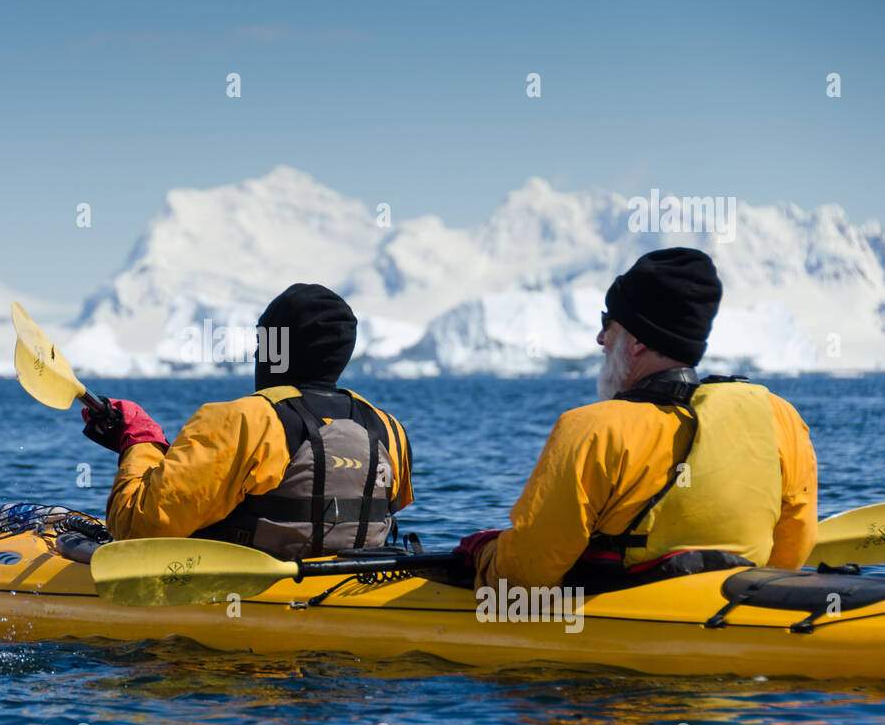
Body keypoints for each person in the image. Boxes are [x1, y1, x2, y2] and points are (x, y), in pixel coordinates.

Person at [458, 247, 818, 591]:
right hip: (745, 610)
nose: (600, 338)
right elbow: (793, 549)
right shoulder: (779, 417)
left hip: (624, 615)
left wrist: (484, 552)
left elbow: (522, 577)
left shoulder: (592, 429)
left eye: (607, 323)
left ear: (637, 342)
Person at [81, 283, 414, 560]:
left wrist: (139, 442)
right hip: (350, 585)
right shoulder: (388, 429)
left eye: (262, 343)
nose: (257, 354)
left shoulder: (238, 420)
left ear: (276, 349)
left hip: (249, 594)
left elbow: (137, 528)